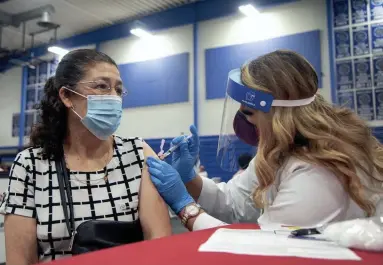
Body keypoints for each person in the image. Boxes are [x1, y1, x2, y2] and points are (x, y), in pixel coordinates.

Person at [147, 50, 383, 231]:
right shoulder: (279, 152)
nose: (244, 123)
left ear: (278, 114)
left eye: (249, 113)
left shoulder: (320, 170)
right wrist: (191, 180)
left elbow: (267, 249)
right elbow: (236, 203)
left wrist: (185, 208)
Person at [0, 49, 171, 264]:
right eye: (101, 86)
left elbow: (159, 243)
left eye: (118, 90)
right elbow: (21, 260)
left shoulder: (138, 154)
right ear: (67, 96)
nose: (114, 98)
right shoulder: (30, 166)